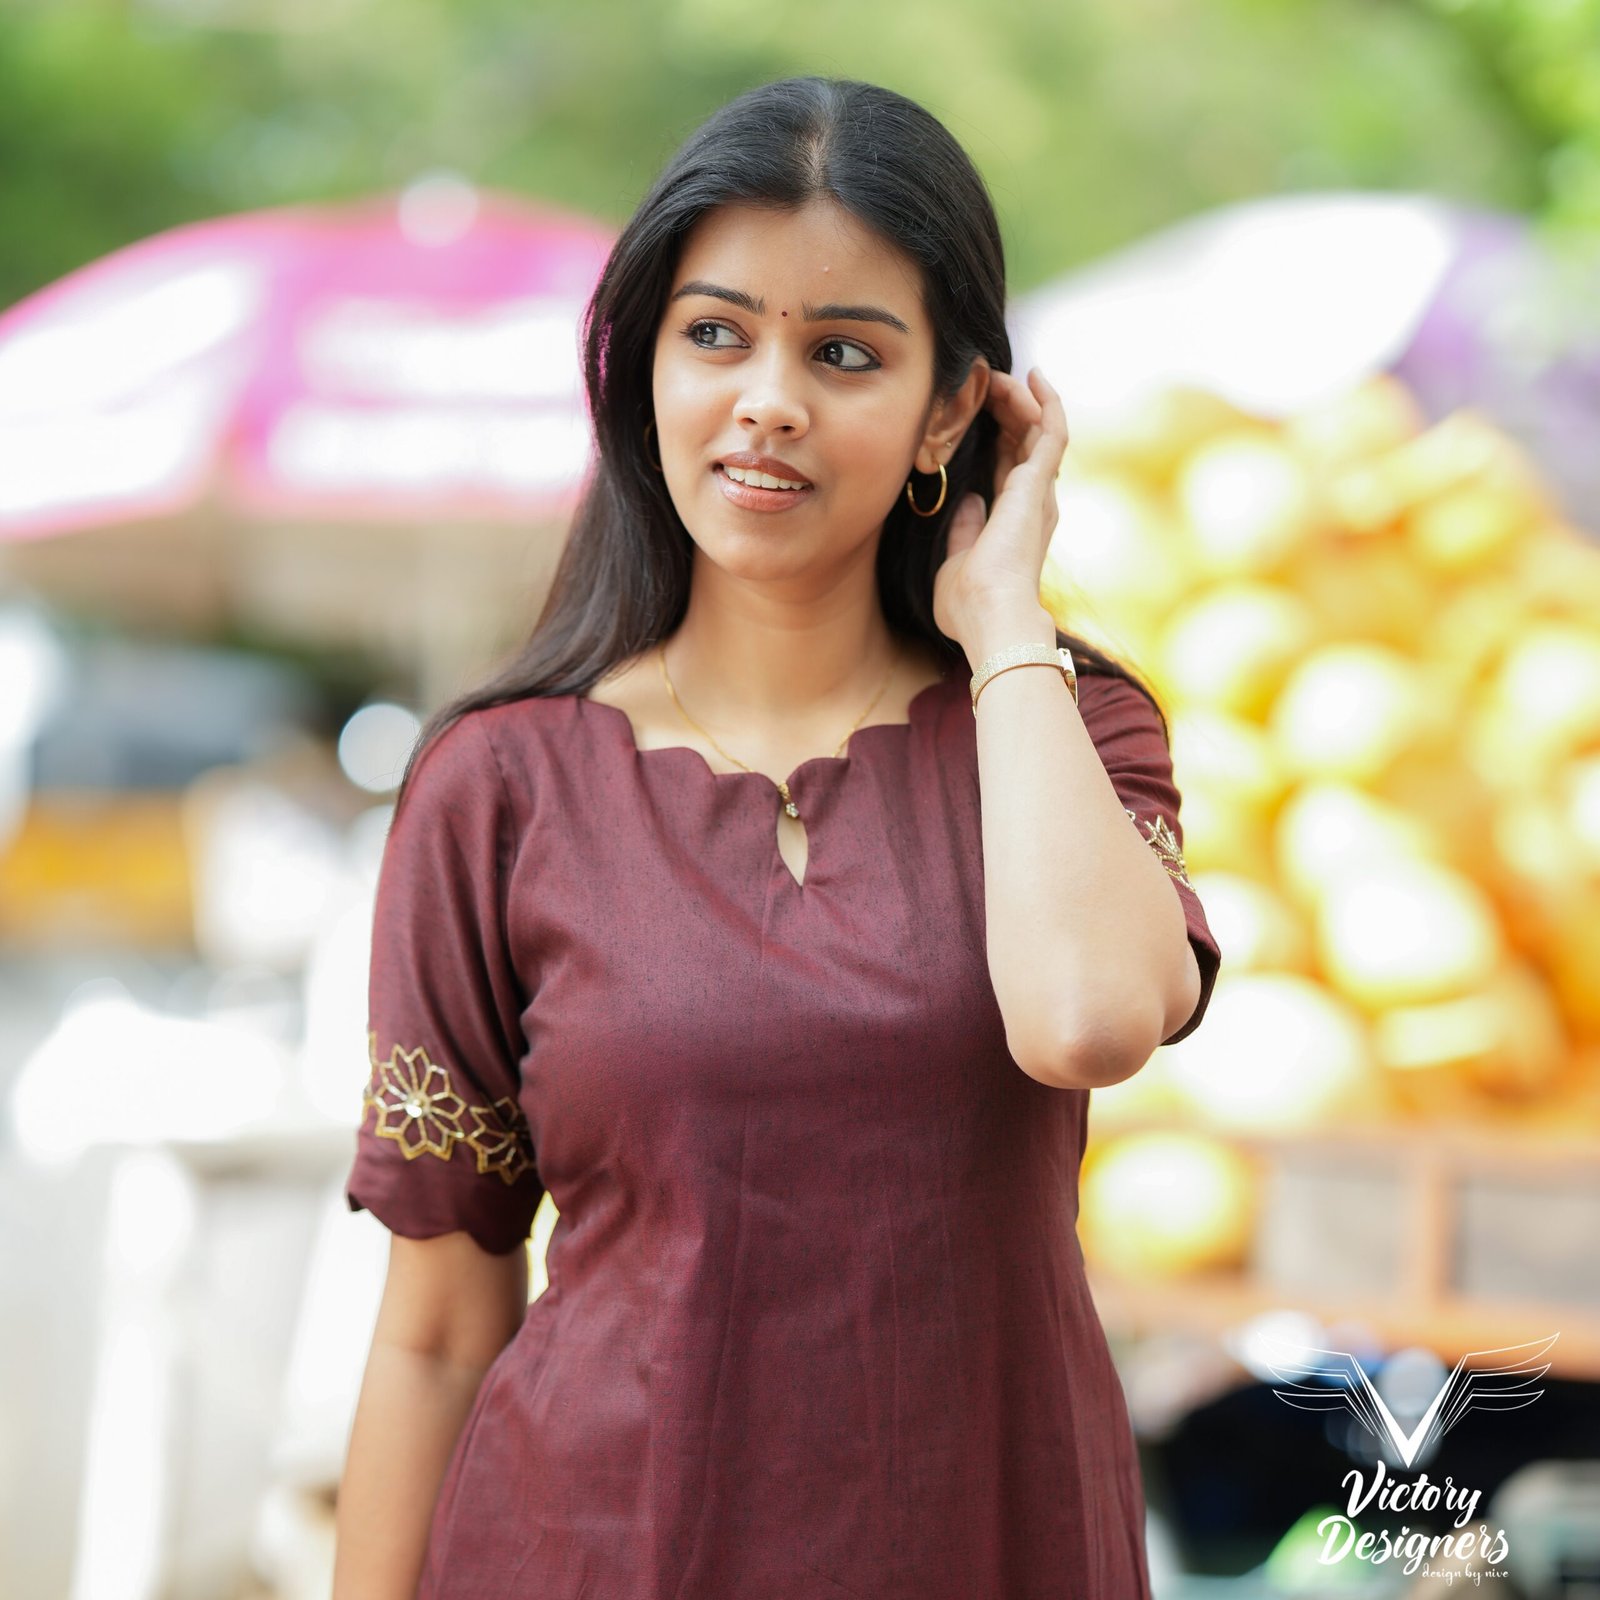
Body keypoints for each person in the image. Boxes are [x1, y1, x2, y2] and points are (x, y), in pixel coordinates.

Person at [334, 74, 1222, 1600]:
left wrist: (1002, 613)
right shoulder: (499, 786)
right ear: (644, 366)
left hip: (990, 1548)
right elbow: (435, 1325)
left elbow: (1085, 1021)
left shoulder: (1066, 735)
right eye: (717, 334)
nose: (770, 399)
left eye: (846, 353)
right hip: (592, 1552)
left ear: (956, 406)